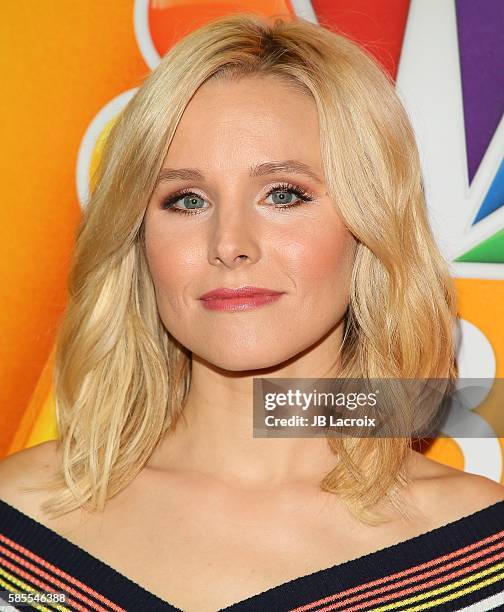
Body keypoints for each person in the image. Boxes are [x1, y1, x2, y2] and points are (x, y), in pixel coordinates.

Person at [1, 12, 503, 612]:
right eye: (185, 200)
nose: (229, 242)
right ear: (137, 240)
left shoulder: (479, 556)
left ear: (367, 228)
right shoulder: (17, 523)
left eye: (283, 194)